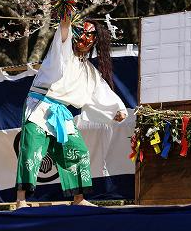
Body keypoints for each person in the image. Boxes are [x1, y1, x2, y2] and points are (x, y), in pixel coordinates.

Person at [15, 17, 127, 209]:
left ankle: (78, 198)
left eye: (90, 37)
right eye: (81, 34)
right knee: (32, 151)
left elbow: (100, 91)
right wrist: (66, 17)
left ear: (95, 42)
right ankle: (21, 201)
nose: (85, 39)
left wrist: (117, 109)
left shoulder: (89, 70)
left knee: (78, 151)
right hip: (40, 106)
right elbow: (63, 32)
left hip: (61, 113)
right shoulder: (61, 54)